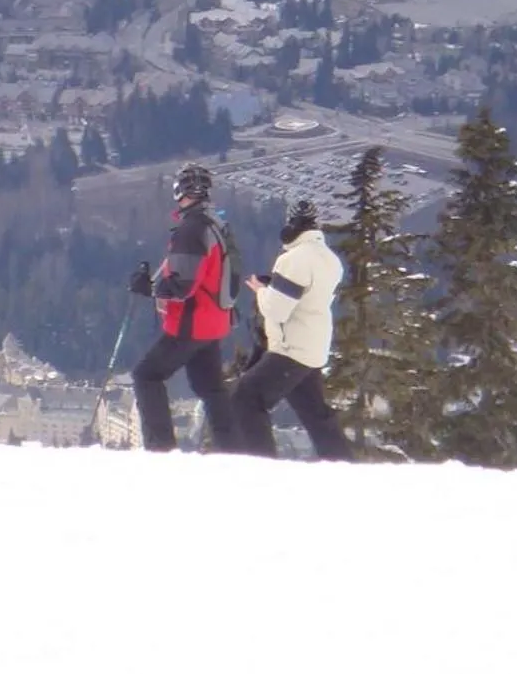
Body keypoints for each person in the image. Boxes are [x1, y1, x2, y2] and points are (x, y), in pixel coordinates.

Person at [127, 163, 239, 452]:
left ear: (181, 191)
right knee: (211, 389)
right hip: (215, 321)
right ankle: (233, 449)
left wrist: (148, 288)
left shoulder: (191, 229)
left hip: (191, 322)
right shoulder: (215, 223)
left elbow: (182, 285)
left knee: (146, 375)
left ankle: (160, 447)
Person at [231, 198, 352, 460]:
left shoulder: (294, 259)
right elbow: (306, 297)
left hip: (291, 348)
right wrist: (274, 287)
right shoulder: (329, 259)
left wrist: (262, 292)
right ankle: (343, 466)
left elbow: (277, 310)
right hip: (313, 346)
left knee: (246, 397)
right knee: (316, 415)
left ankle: (262, 466)